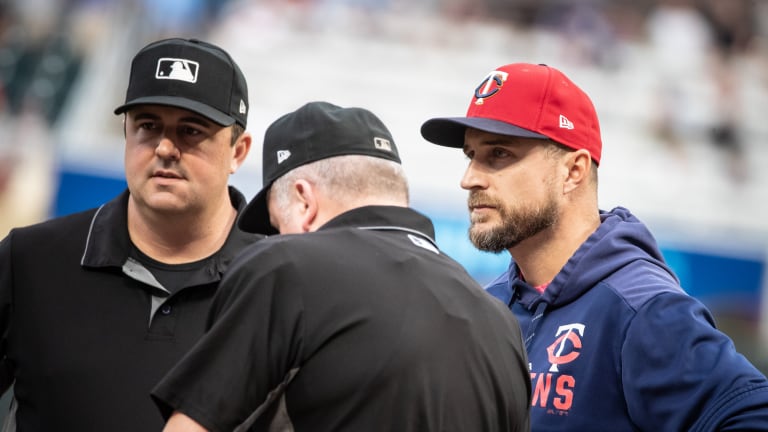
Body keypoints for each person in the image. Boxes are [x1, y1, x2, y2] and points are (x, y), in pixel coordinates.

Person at [420, 63, 768, 431]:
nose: (469, 179)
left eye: (499, 154)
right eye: (470, 156)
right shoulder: (491, 303)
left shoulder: (643, 308)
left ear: (573, 171)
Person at [151, 101, 532, 432]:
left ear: (303, 202)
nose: (274, 238)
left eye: (276, 224)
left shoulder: (285, 266)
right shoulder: (500, 322)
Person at [0, 37, 260, 431]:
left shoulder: (277, 280)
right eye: (148, 126)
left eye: (191, 130)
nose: (165, 148)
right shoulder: (30, 259)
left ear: (238, 152)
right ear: (126, 131)